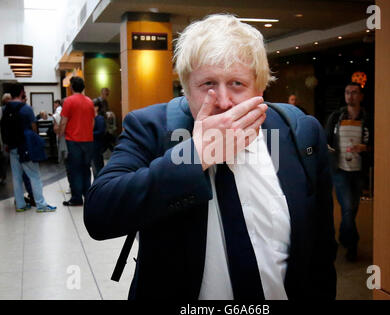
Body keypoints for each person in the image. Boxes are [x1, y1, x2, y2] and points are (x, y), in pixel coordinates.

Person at [84, 14, 336, 300]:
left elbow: (321, 250)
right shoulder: (151, 128)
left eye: (237, 84)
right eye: (208, 85)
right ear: (187, 90)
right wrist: (195, 155)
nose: (224, 101)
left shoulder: (300, 133)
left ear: (260, 89)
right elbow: (99, 214)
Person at [325, 82, 371, 262]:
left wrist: (365, 147)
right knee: (347, 208)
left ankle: (344, 237)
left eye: (354, 92)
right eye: (347, 92)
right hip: (340, 171)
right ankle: (352, 245)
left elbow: (377, 142)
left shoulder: (367, 119)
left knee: (352, 210)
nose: (350, 96)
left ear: (360, 96)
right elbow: (326, 139)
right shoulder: (336, 117)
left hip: (359, 171)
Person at [0, 83, 56, 212]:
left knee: (16, 177)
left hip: (12, 146)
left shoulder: (5, 109)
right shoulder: (26, 108)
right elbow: (34, 128)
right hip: (25, 146)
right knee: (34, 175)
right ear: (21, 92)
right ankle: (41, 205)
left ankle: (20, 205)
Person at [59, 77, 95, 206]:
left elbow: (63, 121)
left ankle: (76, 198)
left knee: (75, 170)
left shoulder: (68, 101)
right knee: (86, 168)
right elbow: (92, 122)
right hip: (88, 140)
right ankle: (87, 195)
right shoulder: (90, 102)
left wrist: (60, 136)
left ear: (72, 87)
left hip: (73, 140)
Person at [91, 100, 106, 178]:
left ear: (96, 108)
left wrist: (89, 134)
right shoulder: (93, 117)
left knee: (97, 166)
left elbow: (101, 131)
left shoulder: (99, 118)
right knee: (94, 167)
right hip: (93, 144)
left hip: (96, 145)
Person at [0, 93, 12, 185]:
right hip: (6, 137)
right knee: (4, 157)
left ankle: (3, 176)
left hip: (4, 137)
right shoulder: (9, 110)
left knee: (4, 157)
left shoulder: (2, 109)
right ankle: (3, 176)